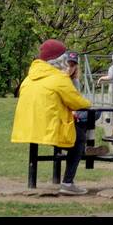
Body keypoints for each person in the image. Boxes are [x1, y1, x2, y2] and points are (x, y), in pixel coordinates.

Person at [10, 39, 94, 195]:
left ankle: (37, 180)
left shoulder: (28, 78)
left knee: (77, 130)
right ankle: (68, 183)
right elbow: (78, 103)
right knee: (80, 138)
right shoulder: (59, 78)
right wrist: (90, 103)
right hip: (50, 128)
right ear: (59, 60)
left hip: (29, 128)